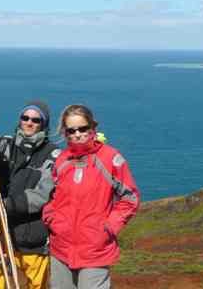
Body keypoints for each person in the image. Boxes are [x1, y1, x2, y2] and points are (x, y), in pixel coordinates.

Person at [43, 104, 140, 289]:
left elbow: (130, 198)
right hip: (60, 248)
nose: (77, 134)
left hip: (95, 251)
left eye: (82, 128)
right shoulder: (61, 160)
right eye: (71, 130)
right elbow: (51, 196)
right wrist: (51, 218)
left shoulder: (110, 158)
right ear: (65, 133)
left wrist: (108, 228)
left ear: (93, 127)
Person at [0, 100, 60, 289]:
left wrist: (7, 205)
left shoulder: (53, 155)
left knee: (35, 285)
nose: (29, 123)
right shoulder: (6, 145)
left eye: (35, 120)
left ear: (44, 124)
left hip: (33, 238)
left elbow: (43, 195)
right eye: (25, 118)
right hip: (1, 234)